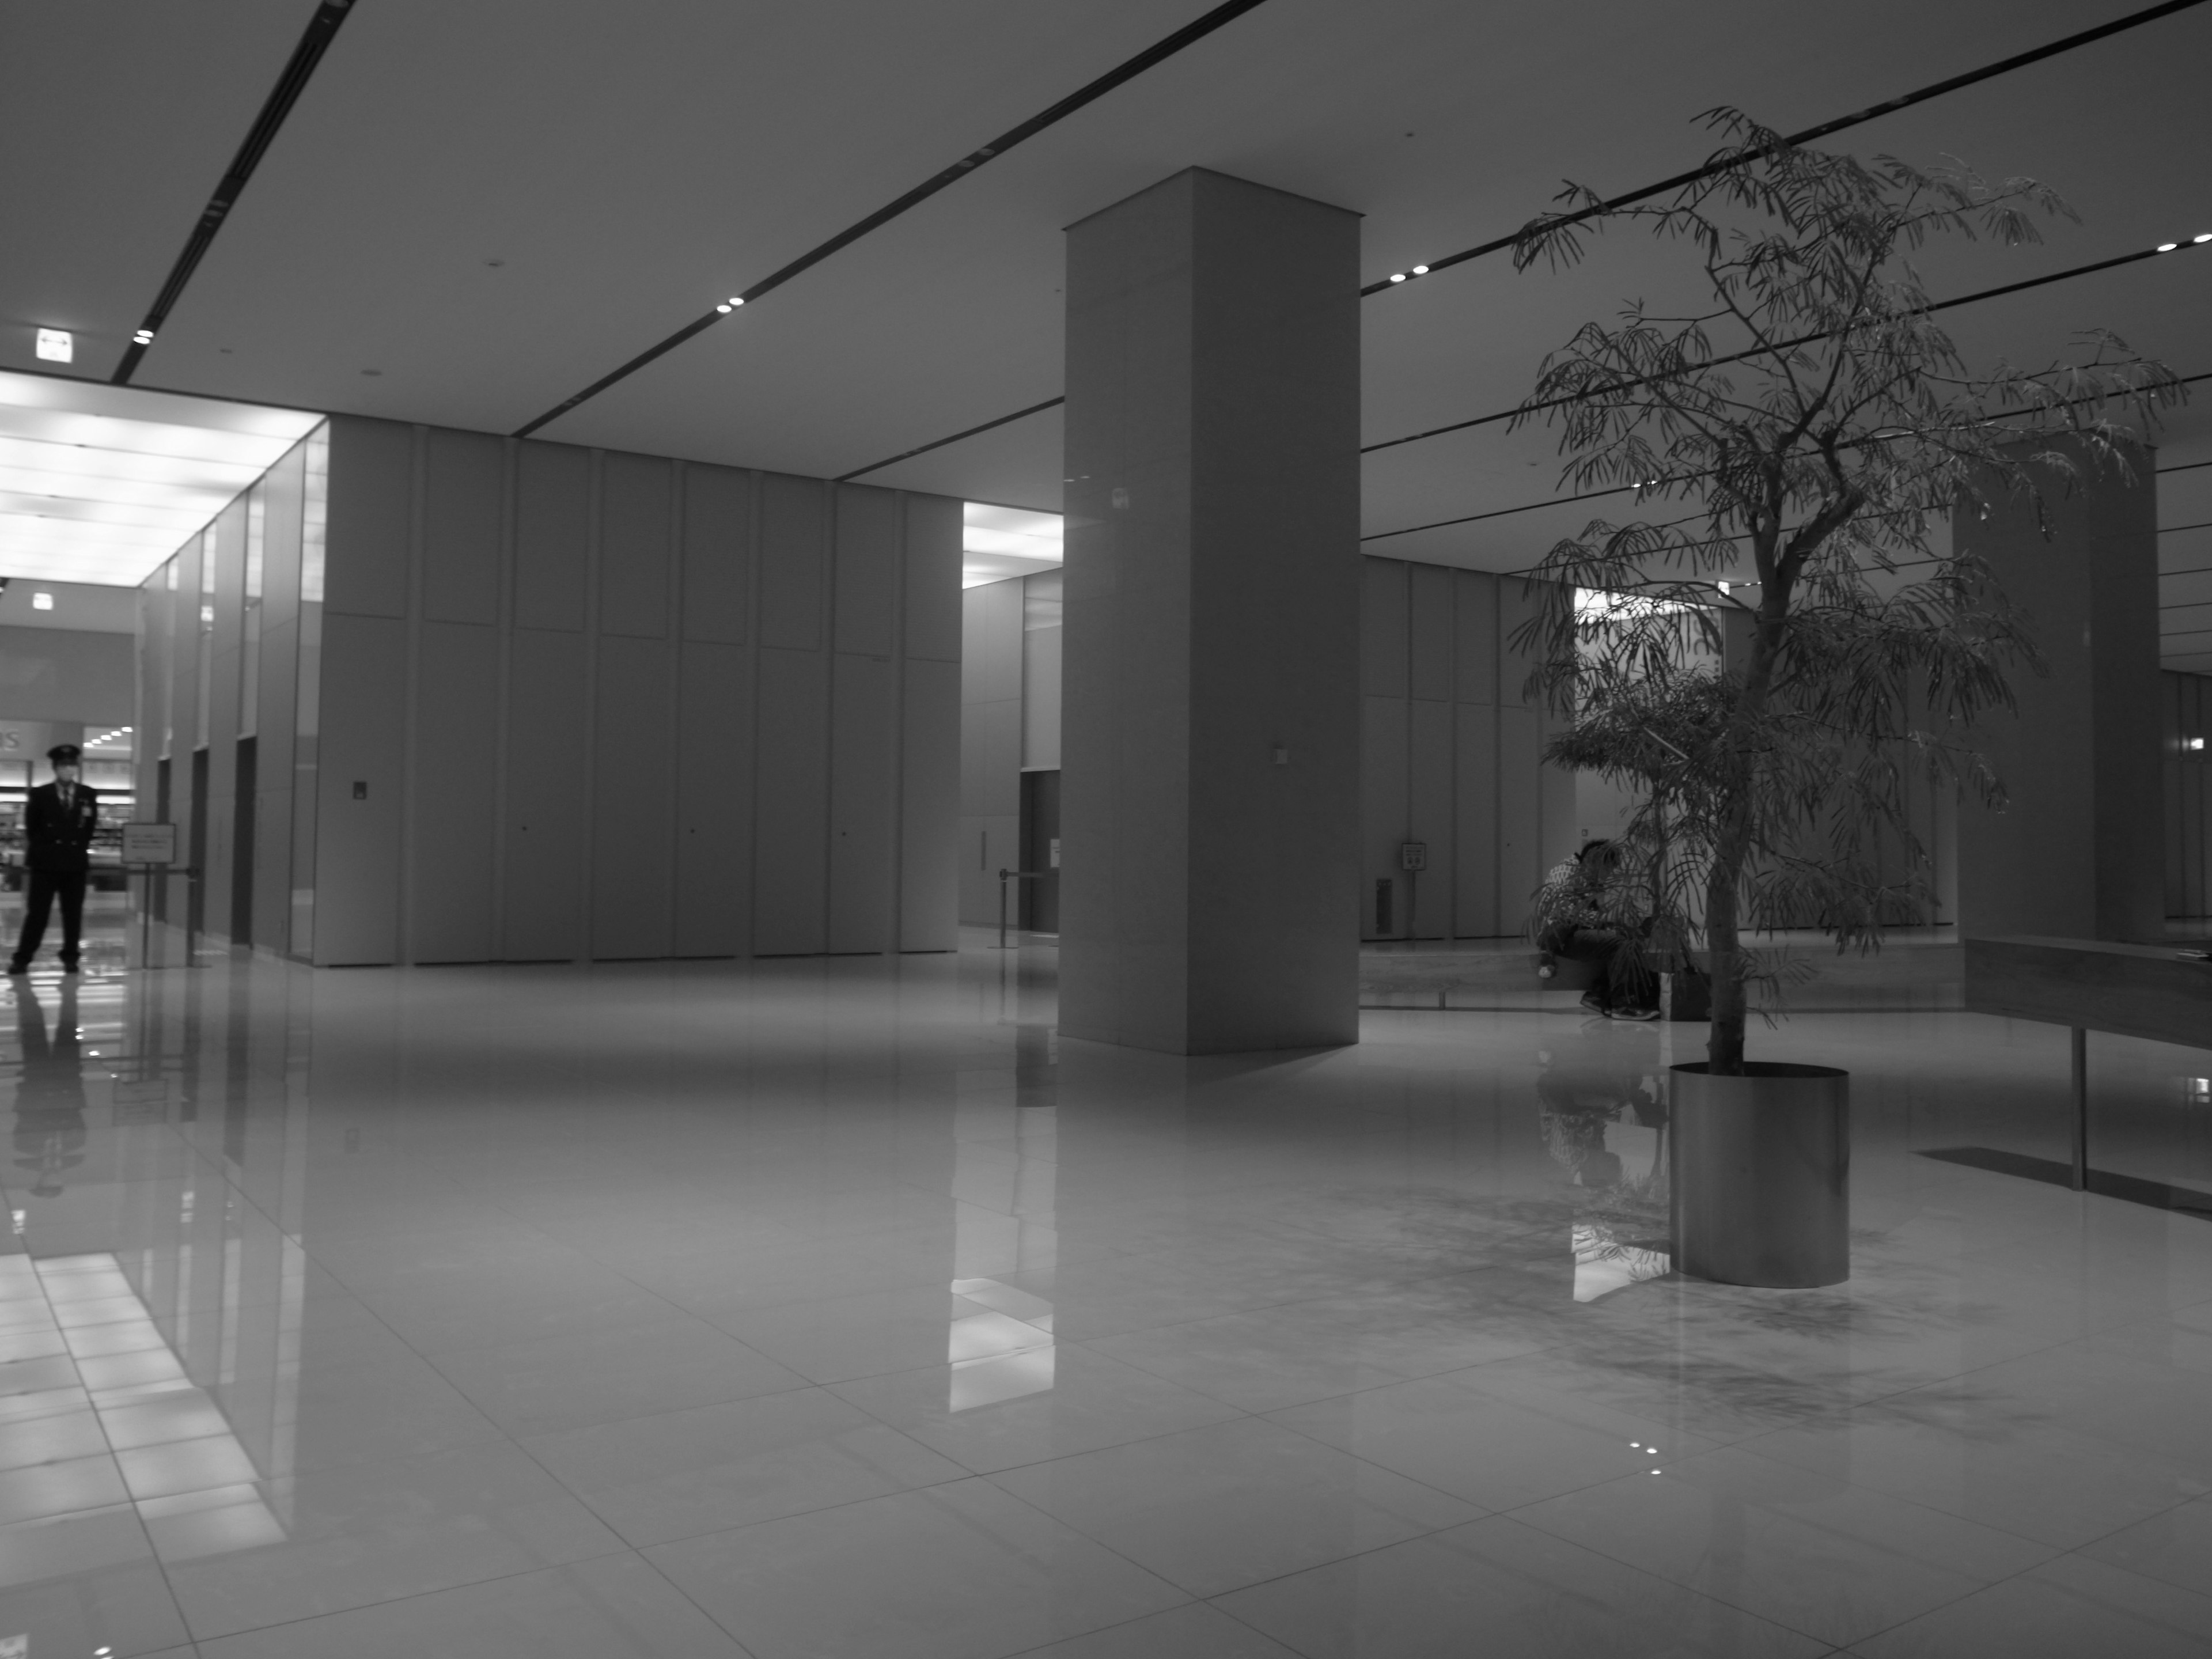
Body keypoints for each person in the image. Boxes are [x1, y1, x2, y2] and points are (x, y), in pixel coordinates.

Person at [1532, 838, 1657, 1020]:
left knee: (1625, 939)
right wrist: (1606, 920)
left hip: (1574, 932)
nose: (1609, 874)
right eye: (1609, 869)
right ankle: (1622, 1005)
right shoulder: (1565, 873)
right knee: (1620, 944)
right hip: (1558, 936)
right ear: (1595, 862)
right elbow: (1561, 911)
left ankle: (1598, 995)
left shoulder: (1586, 876)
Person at [7, 744, 99, 975]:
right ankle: (23, 958)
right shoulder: (40, 794)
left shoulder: (87, 794)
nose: (68, 769)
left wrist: (76, 851)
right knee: (37, 914)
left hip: (75, 864)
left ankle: (71, 957)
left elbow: (88, 829)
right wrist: (46, 851)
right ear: (55, 768)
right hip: (45, 865)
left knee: (73, 914)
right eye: (63, 765)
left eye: (71, 765)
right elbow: (33, 830)